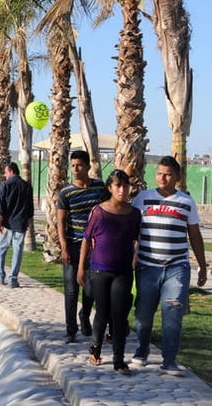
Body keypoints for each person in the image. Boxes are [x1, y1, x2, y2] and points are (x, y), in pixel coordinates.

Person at [131, 156, 208, 376]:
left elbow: (194, 235)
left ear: (177, 177)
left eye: (167, 174)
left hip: (177, 268)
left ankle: (169, 360)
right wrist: (131, 256)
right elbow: (133, 231)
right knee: (144, 313)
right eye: (159, 173)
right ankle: (142, 350)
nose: (162, 178)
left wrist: (202, 266)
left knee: (172, 313)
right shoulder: (142, 199)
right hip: (147, 266)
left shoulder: (186, 202)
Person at [77, 169, 141, 376]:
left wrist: (135, 258)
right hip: (99, 270)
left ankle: (119, 360)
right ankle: (95, 348)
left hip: (122, 271)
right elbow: (87, 239)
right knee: (102, 313)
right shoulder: (99, 211)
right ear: (110, 188)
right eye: (118, 186)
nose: (123, 190)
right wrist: (81, 268)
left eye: (125, 186)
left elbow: (137, 239)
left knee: (120, 315)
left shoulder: (133, 214)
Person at [56, 150, 105, 343]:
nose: (75, 169)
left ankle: (84, 315)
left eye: (79, 165)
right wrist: (64, 246)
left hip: (95, 246)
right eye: (73, 165)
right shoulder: (66, 192)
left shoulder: (99, 187)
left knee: (90, 287)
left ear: (87, 166)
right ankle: (70, 330)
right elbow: (61, 221)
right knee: (70, 289)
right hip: (74, 244)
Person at [0, 162, 34, 289]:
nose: (5, 175)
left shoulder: (5, 185)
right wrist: (28, 221)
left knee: (2, 249)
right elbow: (30, 206)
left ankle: (0, 276)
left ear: (11, 171)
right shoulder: (27, 186)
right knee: (17, 251)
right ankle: (13, 279)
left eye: (6, 172)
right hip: (21, 222)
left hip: (7, 223)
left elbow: (1, 205)